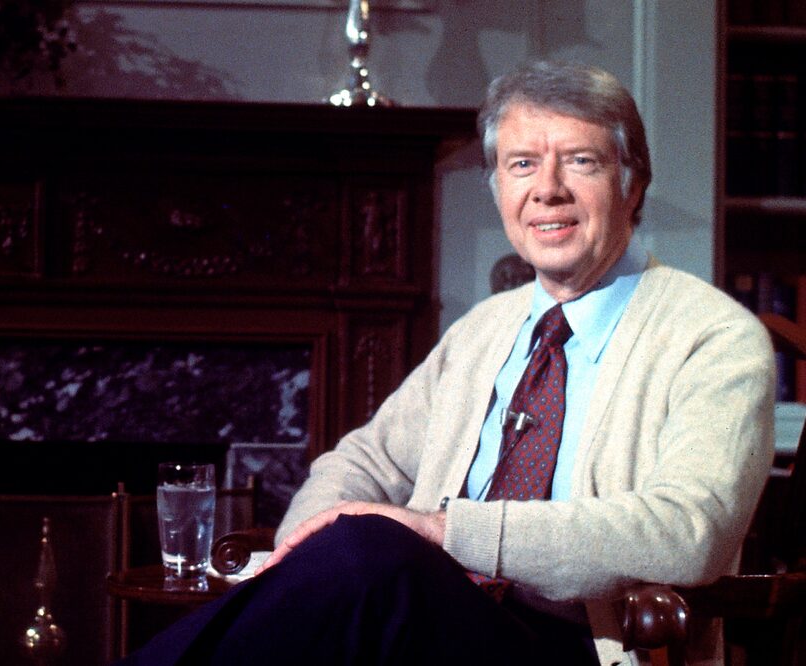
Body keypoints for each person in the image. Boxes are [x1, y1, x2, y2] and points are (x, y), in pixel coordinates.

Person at [117, 60, 775, 666]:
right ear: (496, 189)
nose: (546, 191)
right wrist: (299, 554)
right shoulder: (484, 330)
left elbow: (690, 531)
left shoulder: (713, 337)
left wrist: (442, 530)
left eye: (579, 162)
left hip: (580, 648)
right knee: (353, 548)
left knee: (371, 549)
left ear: (633, 186)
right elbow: (360, 464)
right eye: (521, 165)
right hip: (433, 626)